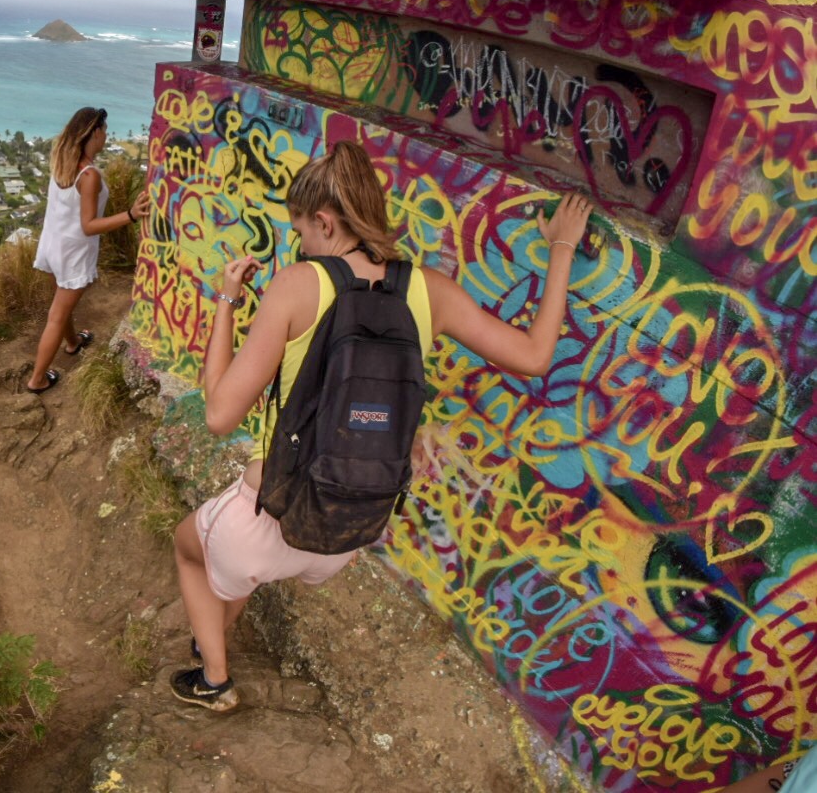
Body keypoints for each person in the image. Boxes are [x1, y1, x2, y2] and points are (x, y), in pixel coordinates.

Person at [170, 140, 592, 711]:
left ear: (324, 221)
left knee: (191, 547)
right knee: (239, 565)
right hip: (348, 533)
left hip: (270, 513)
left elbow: (220, 414)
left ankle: (213, 680)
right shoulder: (429, 291)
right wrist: (561, 247)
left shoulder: (298, 284)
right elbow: (537, 355)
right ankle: (215, 628)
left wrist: (226, 300)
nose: (301, 244)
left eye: (302, 231)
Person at [26, 107, 150, 393]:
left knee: (62, 307)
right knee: (57, 316)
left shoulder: (61, 159)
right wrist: (130, 215)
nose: (106, 136)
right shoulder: (89, 174)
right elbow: (89, 226)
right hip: (73, 253)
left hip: (52, 245)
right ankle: (37, 380)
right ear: (94, 132)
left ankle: (73, 343)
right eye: (104, 131)